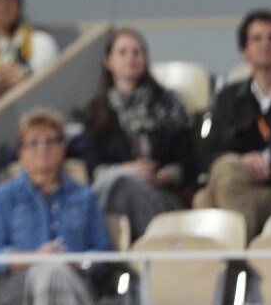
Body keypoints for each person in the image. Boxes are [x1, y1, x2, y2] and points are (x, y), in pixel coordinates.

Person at [0, 110, 113, 305]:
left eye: (50, 141)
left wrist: (77, 262)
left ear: (62, 148)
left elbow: (103, 253)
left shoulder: (84, 195)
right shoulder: (4, 196)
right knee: (50, 270)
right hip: (20, 286)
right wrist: (35, 258)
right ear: (21, 153)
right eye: (33, 143)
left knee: (55, 271)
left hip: (75, 280)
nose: (42, 149)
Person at [81, 28, 194, 238]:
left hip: (163, 194)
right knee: (122, 184)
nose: (131, 57)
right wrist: (125, 170)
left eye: (137, 51)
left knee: (126, 188)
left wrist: (161, 177)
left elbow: (187, 161)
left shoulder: (170, 104)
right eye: (123, 52)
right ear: (108, 61)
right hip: (115, 193)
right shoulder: (96, 111)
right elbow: (92, 169)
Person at [194, 10, 271, 238]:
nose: (265, 44)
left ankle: (235, 263)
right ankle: (242, 259)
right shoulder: (228, 98)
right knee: (214, 184)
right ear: (244, 50)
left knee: (206, 200)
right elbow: (206, 153)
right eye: (257, 38)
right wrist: (242, 161)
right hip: (238, 186)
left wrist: (266, 161)